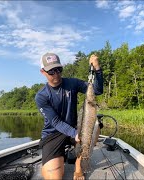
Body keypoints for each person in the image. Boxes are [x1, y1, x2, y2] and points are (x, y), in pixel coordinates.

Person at [35, 52, 103, 180]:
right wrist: (74, 133)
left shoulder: (72, 83)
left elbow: (97, 90)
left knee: (96, 127)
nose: (56, 74)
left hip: (74, 128)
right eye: (51, 71)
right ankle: (58, 157)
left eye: (59, 69)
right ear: (43, 72)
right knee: (54, 177)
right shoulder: (41, 96)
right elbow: (55, 121)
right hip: (53, 134)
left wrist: (98, 69)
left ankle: (78, 165)